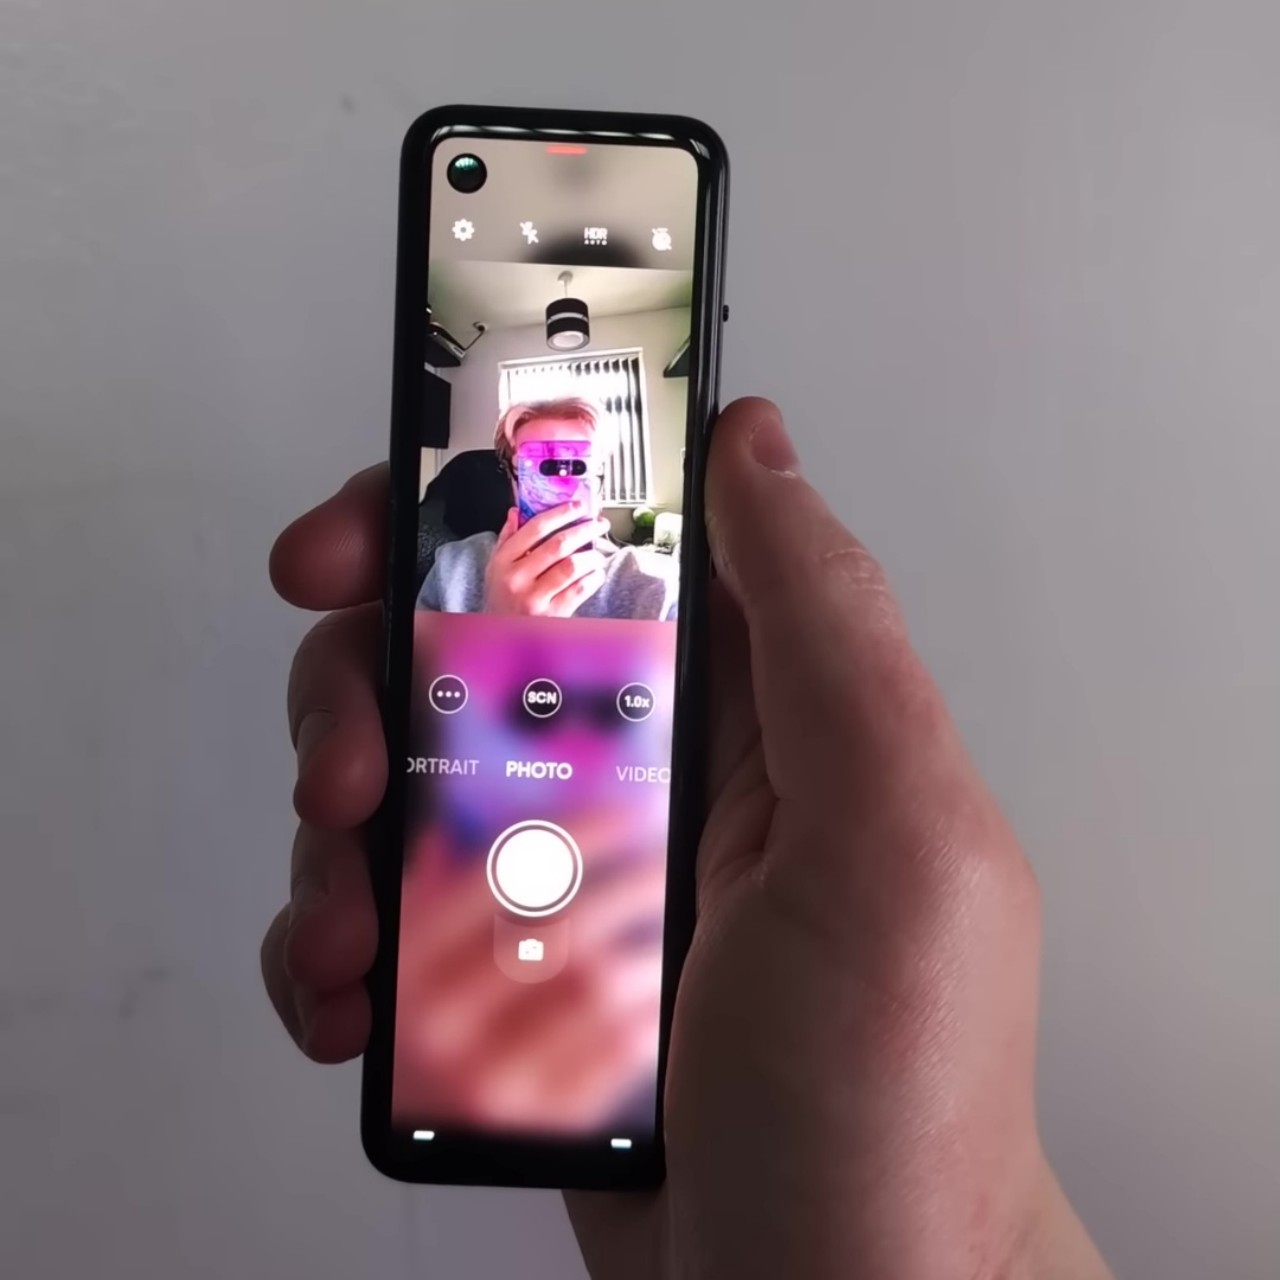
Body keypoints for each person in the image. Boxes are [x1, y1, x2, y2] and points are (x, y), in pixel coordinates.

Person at [264, 399, 1112, 1279]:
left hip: (617, 930)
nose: (569, 482)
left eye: (583, 465)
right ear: (513, 471)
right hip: (471, 904)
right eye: (549, 463)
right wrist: (506, 626)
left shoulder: (653, 583)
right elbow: (438, 763)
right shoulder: (449, 573)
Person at [418, 397, 679, 620]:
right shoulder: (451, 568)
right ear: (512, 479)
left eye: (577, 464)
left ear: (599, 478)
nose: (558, 485)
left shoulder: (657, 585)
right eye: (537, 465)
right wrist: (497, 621)